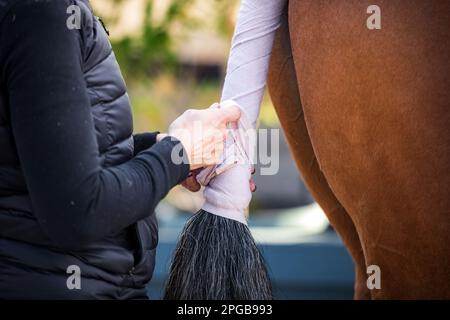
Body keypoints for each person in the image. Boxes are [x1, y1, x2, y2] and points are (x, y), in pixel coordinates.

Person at [0, 0, 240, 299]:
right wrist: (177, 155)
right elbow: (80, 211)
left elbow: (38, 157)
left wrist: (157, 147)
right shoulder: (42, 13)